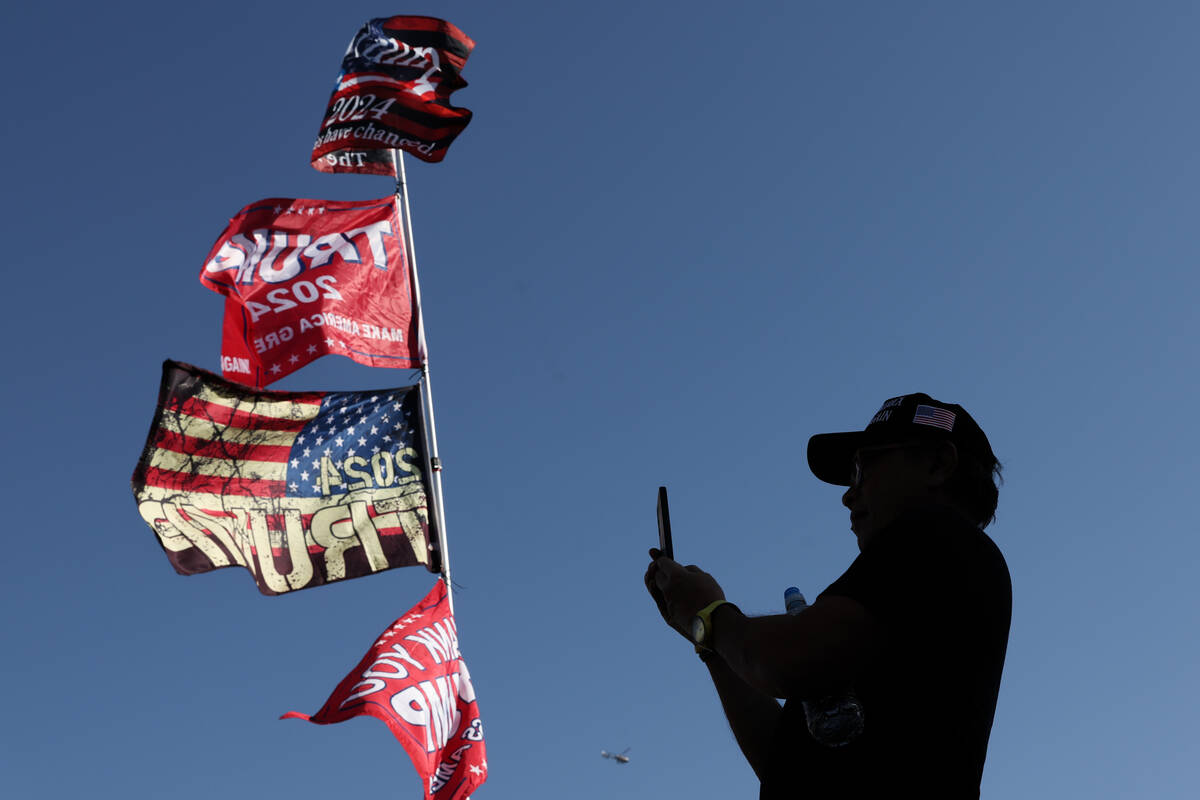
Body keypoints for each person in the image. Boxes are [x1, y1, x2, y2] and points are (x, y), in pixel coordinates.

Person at [644, 393, 1011, 799]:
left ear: (937, 465)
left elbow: (784, 660)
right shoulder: (929, 575)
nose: (848, 495)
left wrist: (709, 613)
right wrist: (709, 639)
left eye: (862, 468)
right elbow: (784, 763)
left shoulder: (937, 537)